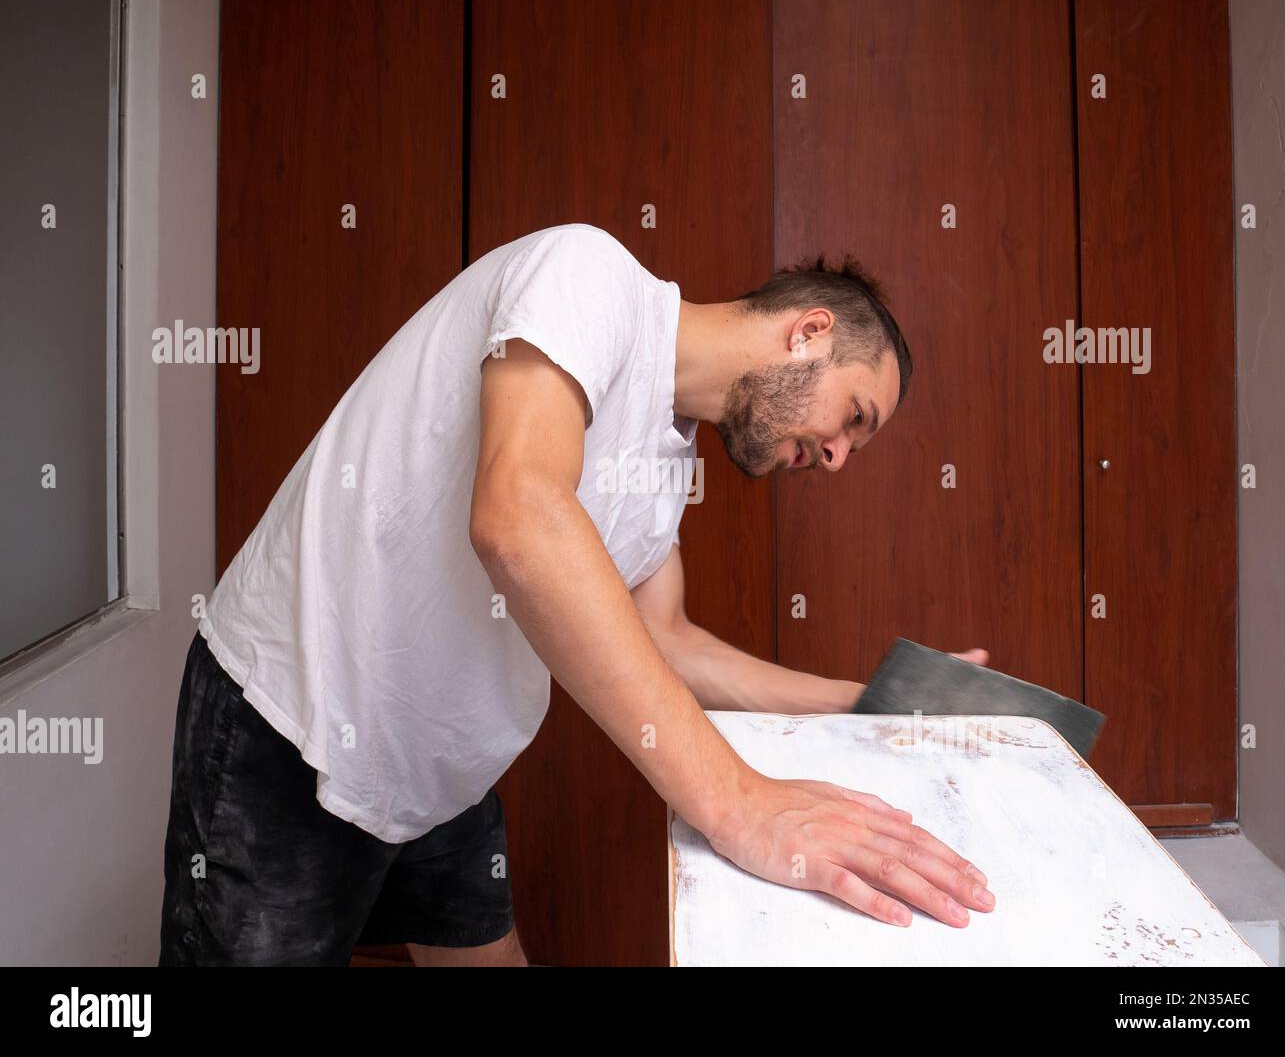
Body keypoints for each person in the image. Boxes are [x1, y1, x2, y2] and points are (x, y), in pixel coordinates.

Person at [158, 223, 995, 966]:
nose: (841, 456)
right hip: (296, 722)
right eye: (855, 417)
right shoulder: (589, 276)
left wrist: (870, 704)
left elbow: (671, 642)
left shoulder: (668, 472)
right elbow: (519, 512)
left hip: (441, 770)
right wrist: (738, 802)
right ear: (808, 334)